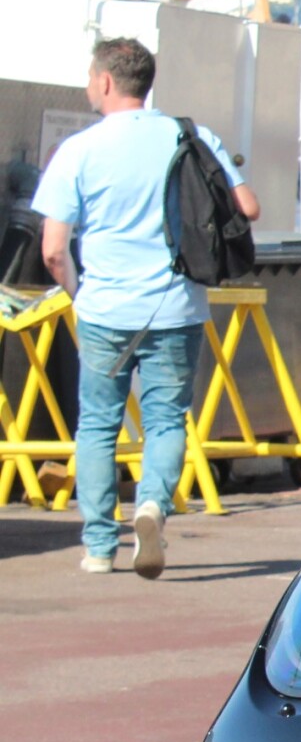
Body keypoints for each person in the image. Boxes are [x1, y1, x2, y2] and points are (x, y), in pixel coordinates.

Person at [36, 37, 259, 578]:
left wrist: (78, 294)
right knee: (164, 420)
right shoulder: (191, 135)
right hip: (176, 306)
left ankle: (96, 546)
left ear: (106, 82)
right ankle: (153, 505)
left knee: (97, 424)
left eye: (91, 78)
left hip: (105, 309)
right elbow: (248, 206)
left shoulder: (80, 150)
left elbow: (51, 249)